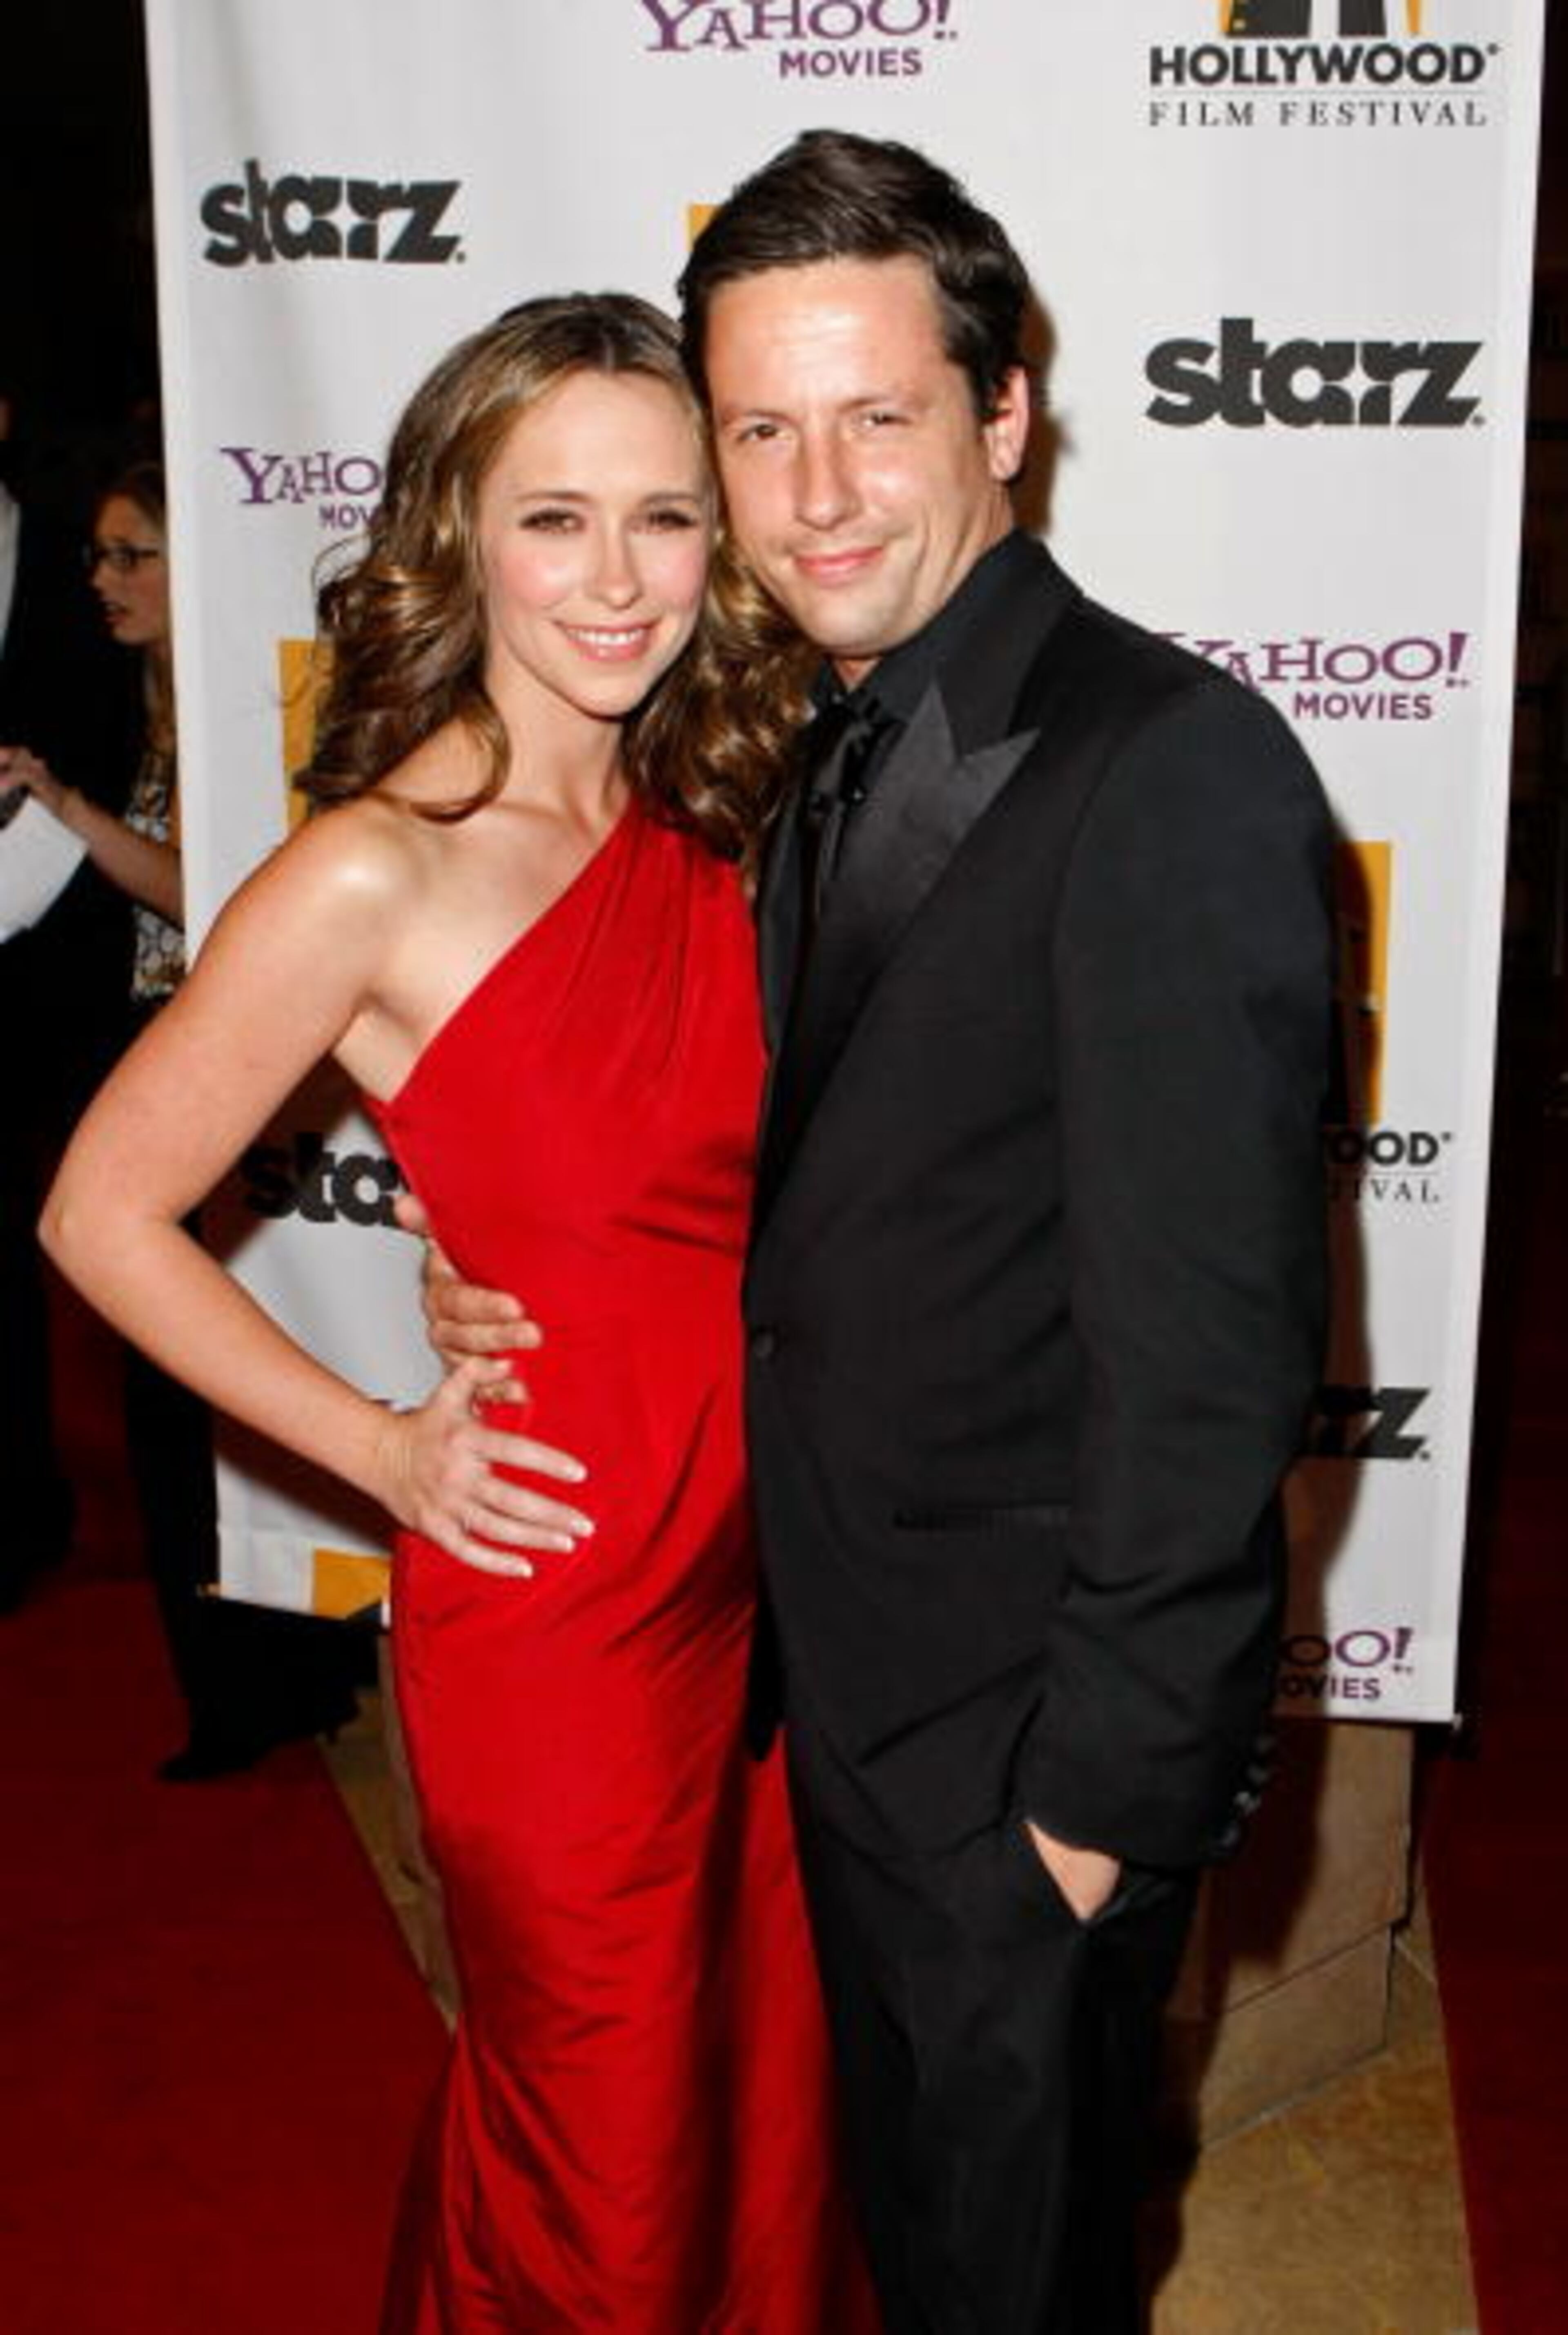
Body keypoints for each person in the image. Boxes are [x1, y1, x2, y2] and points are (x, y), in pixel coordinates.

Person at [425, 134, 1334, 2333]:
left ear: (1005, 414)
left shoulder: (1168, 765)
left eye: (878, 416)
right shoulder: (802, 745)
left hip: (1015, 1773)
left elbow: (1213, 1356)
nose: (816, 495)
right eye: (761, 432)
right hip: (815, 1703)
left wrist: (1090, 1822)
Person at [42, 294, 875, 2334]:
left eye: (665, 517)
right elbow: (99, 1210)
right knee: (605, 2160)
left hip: (784, 1579)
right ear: (459, 536)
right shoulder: (374, 870)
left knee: (770, 2106)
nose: (618, 579)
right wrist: (384, 1446)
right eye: (555, 518)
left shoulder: (729, 805)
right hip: (567, 1611)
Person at [3, 460, 364, 1773]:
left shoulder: (241, 708)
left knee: (196, 1381)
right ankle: (250, 1681)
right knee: (176, 1385)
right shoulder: (143, 703)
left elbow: (216, 907)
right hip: (166, 1058)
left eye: (133, 555)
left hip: (238, 1082)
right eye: (99, 556)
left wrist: (72, 814)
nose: (104, 581)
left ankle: (267, 1684)